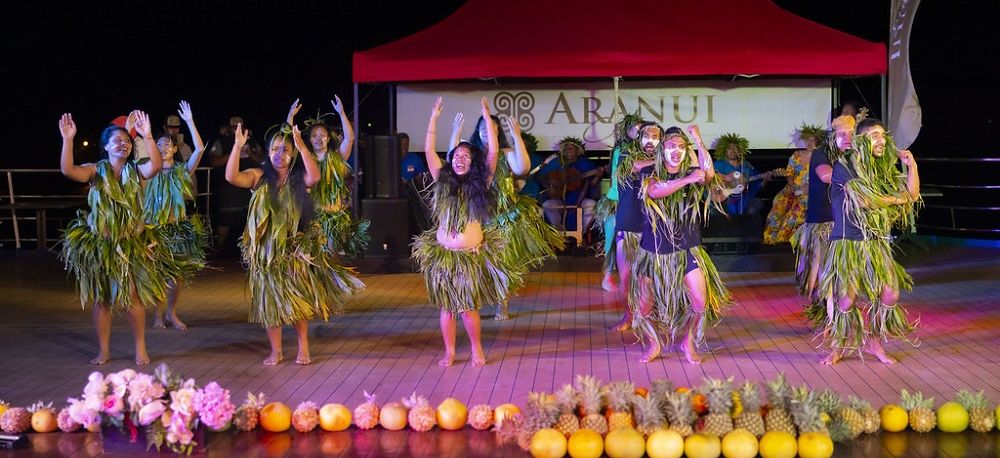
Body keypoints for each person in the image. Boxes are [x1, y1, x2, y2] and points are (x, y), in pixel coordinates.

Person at [225, 120, 363, 366]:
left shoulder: (299, 178)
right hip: (266, 254)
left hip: (294, 251)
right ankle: (276, 350)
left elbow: (315, 176)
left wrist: (301, 146)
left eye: (286, 149)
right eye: (275, 148)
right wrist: (237, 146)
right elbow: (231, 176)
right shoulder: (258, 177)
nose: (280, 153)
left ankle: (303, 345)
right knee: (270, 303)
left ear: (293, 154)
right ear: (268, 152)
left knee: (299, 300)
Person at [413, 97, 518, 366]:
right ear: (451, 160)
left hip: (470, 256)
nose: (461, 159)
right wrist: (433, 119)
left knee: (469, 307)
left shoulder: (481, 183)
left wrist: (487, 117)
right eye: (457, 156)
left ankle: (476, 349)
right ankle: (449, 351)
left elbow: (493, 153)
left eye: (466, 156)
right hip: (444, 256)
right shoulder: (442, 180)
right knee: (447, 308)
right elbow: (428, 150)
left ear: (473, 163)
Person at [59, 111, 170, 365]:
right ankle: (104, 350)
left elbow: (155, 166)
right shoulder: (95, 170)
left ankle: (140, 347)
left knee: (133, 297)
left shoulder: (136, 170)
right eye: (117, 140)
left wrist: (148, 136)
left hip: (131, 245)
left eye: (127, 140)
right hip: (103, 245)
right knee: (102, 300)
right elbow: (68, 170)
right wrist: (68, 140)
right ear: (106, 147)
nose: (123, 144)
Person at [816, 118, 921, 365]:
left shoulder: (881, 168)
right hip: (848, 242)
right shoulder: (845, 165)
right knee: (846, 300)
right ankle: (840, 346)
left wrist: (912, 167)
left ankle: (874, 342)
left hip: (875, 242)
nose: (881, 140)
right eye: (875, 136)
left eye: (883, 135)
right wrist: (896, 200)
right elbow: (865, 200)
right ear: (861, 140)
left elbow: (912, 194)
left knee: (890, 294)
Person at [629, 125, 732, 364]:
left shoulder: (692, 172)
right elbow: (655, 191)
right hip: (653, 252)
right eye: (671, 146)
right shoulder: (650, 172)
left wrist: (697, 138)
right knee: (644, 307)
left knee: (700, 303)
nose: (676, 151)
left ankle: (689, 342)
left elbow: (707, 173)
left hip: (687, 249)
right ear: (662, 150)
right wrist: (688, 179)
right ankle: (654, 343)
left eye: (682, 147)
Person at [455, 109, 562, 320]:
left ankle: (501, 303)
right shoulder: (471, 154)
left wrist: (516, 136)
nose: (487, 131)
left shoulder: (505, 153)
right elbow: (455, 167)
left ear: (497, 132)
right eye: (483, 127)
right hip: (477, 216)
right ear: (477, 130)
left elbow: (523, 168)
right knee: (475, 261)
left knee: (502, 262)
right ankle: (471, 301)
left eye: (492, 128)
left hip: (503, 216)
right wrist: (455, 135)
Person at [144, 101, 210, 331]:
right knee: (157, 274)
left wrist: (190, 121)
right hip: (154, 229)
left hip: (177, 229)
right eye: (159, 144)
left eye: (167, 144)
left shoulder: (182, 172)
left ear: (174, 149)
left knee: (176, 276)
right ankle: (157, 315)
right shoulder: (147, 172)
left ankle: (171, 312)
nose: (163, 147)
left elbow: (199, 150)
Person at [285, 96, 369, 258]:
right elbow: (290, 139)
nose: (318, 138)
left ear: (328, 138)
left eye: (322, 135)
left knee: (331, 257)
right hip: (312, 218)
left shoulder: (338, 157)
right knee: (312, 258)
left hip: (334, 218)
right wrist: (290, 116)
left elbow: (350, 138)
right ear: (309, 139)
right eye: (314, 135)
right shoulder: (306, 158)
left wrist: (342, 113)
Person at [791, 115, 855, 305]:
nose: (848, 138)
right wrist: (856, 178)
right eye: (842, 134)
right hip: (823, 222)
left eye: (851, 134)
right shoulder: (822, 153)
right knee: (822, 273)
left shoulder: (853, 155)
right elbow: (826, 176)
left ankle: (837, 309)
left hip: (843, 221)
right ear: (833, 136)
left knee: (842, 273)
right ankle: (825, 309)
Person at [593, 113, 644, 293]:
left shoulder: (641, 149)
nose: (639, 132)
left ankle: (631, 278)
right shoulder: (622, 150)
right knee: (613, 240)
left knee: (631, 243)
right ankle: (608, 276)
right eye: (635, 129)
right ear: (627, 131)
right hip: (617, 202)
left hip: (633, 201)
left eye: (641, 129)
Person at [762, 124, 826, 244]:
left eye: (813, 140)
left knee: (796, 213)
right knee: (778, 206)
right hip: (793, 188)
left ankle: (791, 238)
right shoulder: (796, 155)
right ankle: (772, 238)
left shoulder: (821, 157)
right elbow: (790, 173)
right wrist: (792, 186)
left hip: (810, 191)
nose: (809, 143)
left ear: (817, 142)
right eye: (808, 140)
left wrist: (809, 188)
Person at [208, 116, 263, 256]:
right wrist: (235, 151)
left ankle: (249, 252)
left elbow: (263, 160)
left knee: (249, 218)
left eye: (239, 126)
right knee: (225, 220)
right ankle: (219, 250)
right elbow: (214, 161)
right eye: (233, 127)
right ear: (228, 127)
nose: (236, 129)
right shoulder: (220, 142)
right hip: (228, 189)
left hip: (249, 189)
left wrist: (250, 153)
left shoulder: (252, 142)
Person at [538, 137, 605, 231]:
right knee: (547, 205)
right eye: (565, 149)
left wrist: (597, 175)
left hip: (581, 199)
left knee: (591, 204)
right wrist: (552, 183)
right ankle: (559, 231)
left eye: (571, 149)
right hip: (560, 200)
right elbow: (541, 177)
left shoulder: (585, 163)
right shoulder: (556, 162)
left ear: (578, 151)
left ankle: (582, 232)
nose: (567, 151)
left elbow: (592, 184)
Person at [711, 133, 781, 215]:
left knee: (757, 204)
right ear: (724, 150)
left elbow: (758, 186)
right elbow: (710, 179)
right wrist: (724, 182)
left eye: (735, 148)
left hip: (744, 200)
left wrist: (765, 180)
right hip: (724, 199)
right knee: (728, 208)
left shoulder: (746, 166)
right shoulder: (718, 164)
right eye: (729, 148)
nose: (733, 150)